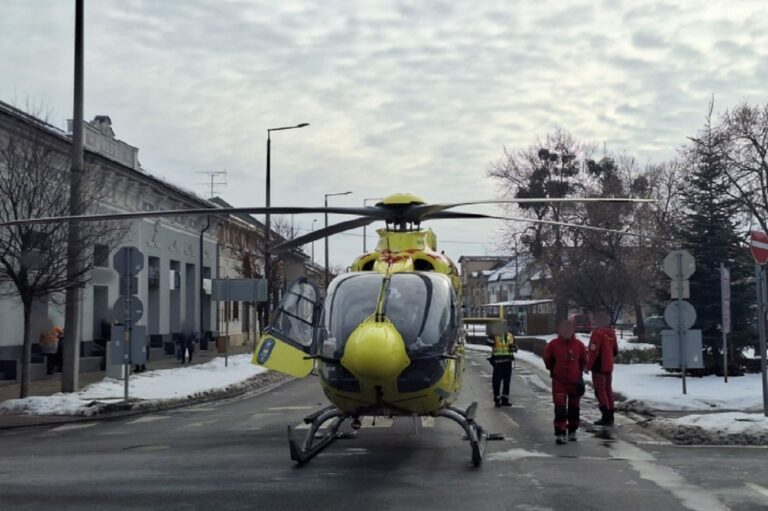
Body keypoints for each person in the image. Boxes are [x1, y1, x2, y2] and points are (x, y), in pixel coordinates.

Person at [543, 319, 587, 444]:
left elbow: (583, 359)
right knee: (560, 407)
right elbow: (548, 359)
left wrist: (579, 372)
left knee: (574, 408)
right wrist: (554, 370)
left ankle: (572, 430)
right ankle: (560, 432)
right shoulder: (553, 344)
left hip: (574, 381)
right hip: (559, 381)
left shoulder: (579, 345)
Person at [586, 312, 619, 426]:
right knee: (608, 390)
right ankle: (610, 414)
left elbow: (593, 351)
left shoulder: (597, 334)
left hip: (598, 366)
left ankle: (605, 415)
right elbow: (615, 350)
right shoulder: (611, 333)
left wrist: (588, 366)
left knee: (600, 391)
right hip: (608, 366)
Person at [487, 330, 517, 407]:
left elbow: (513, 346)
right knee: (497, 382)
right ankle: (497, 399)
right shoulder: (494, 335)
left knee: (507, 382)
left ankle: (505, 399)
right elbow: (488, 342)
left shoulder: (510, 335)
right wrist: (492, 335)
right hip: (498, 362)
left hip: (508, 361)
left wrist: (514, 348)